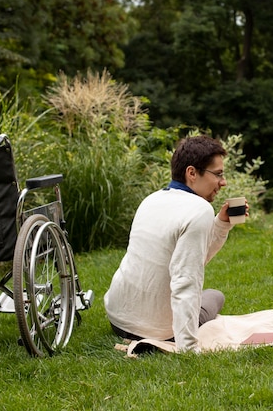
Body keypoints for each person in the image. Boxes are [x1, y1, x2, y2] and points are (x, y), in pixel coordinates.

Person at [104, 135, 244, 352]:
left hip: (118, 319)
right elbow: (186, 280)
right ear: (192, 173)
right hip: (155, 330)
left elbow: (193, 257)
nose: (223, 182)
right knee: (214, 296)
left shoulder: (151, 199)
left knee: (205, 294)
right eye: (217, 174)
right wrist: (188, 346)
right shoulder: (199, 209)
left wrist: (221, 224)